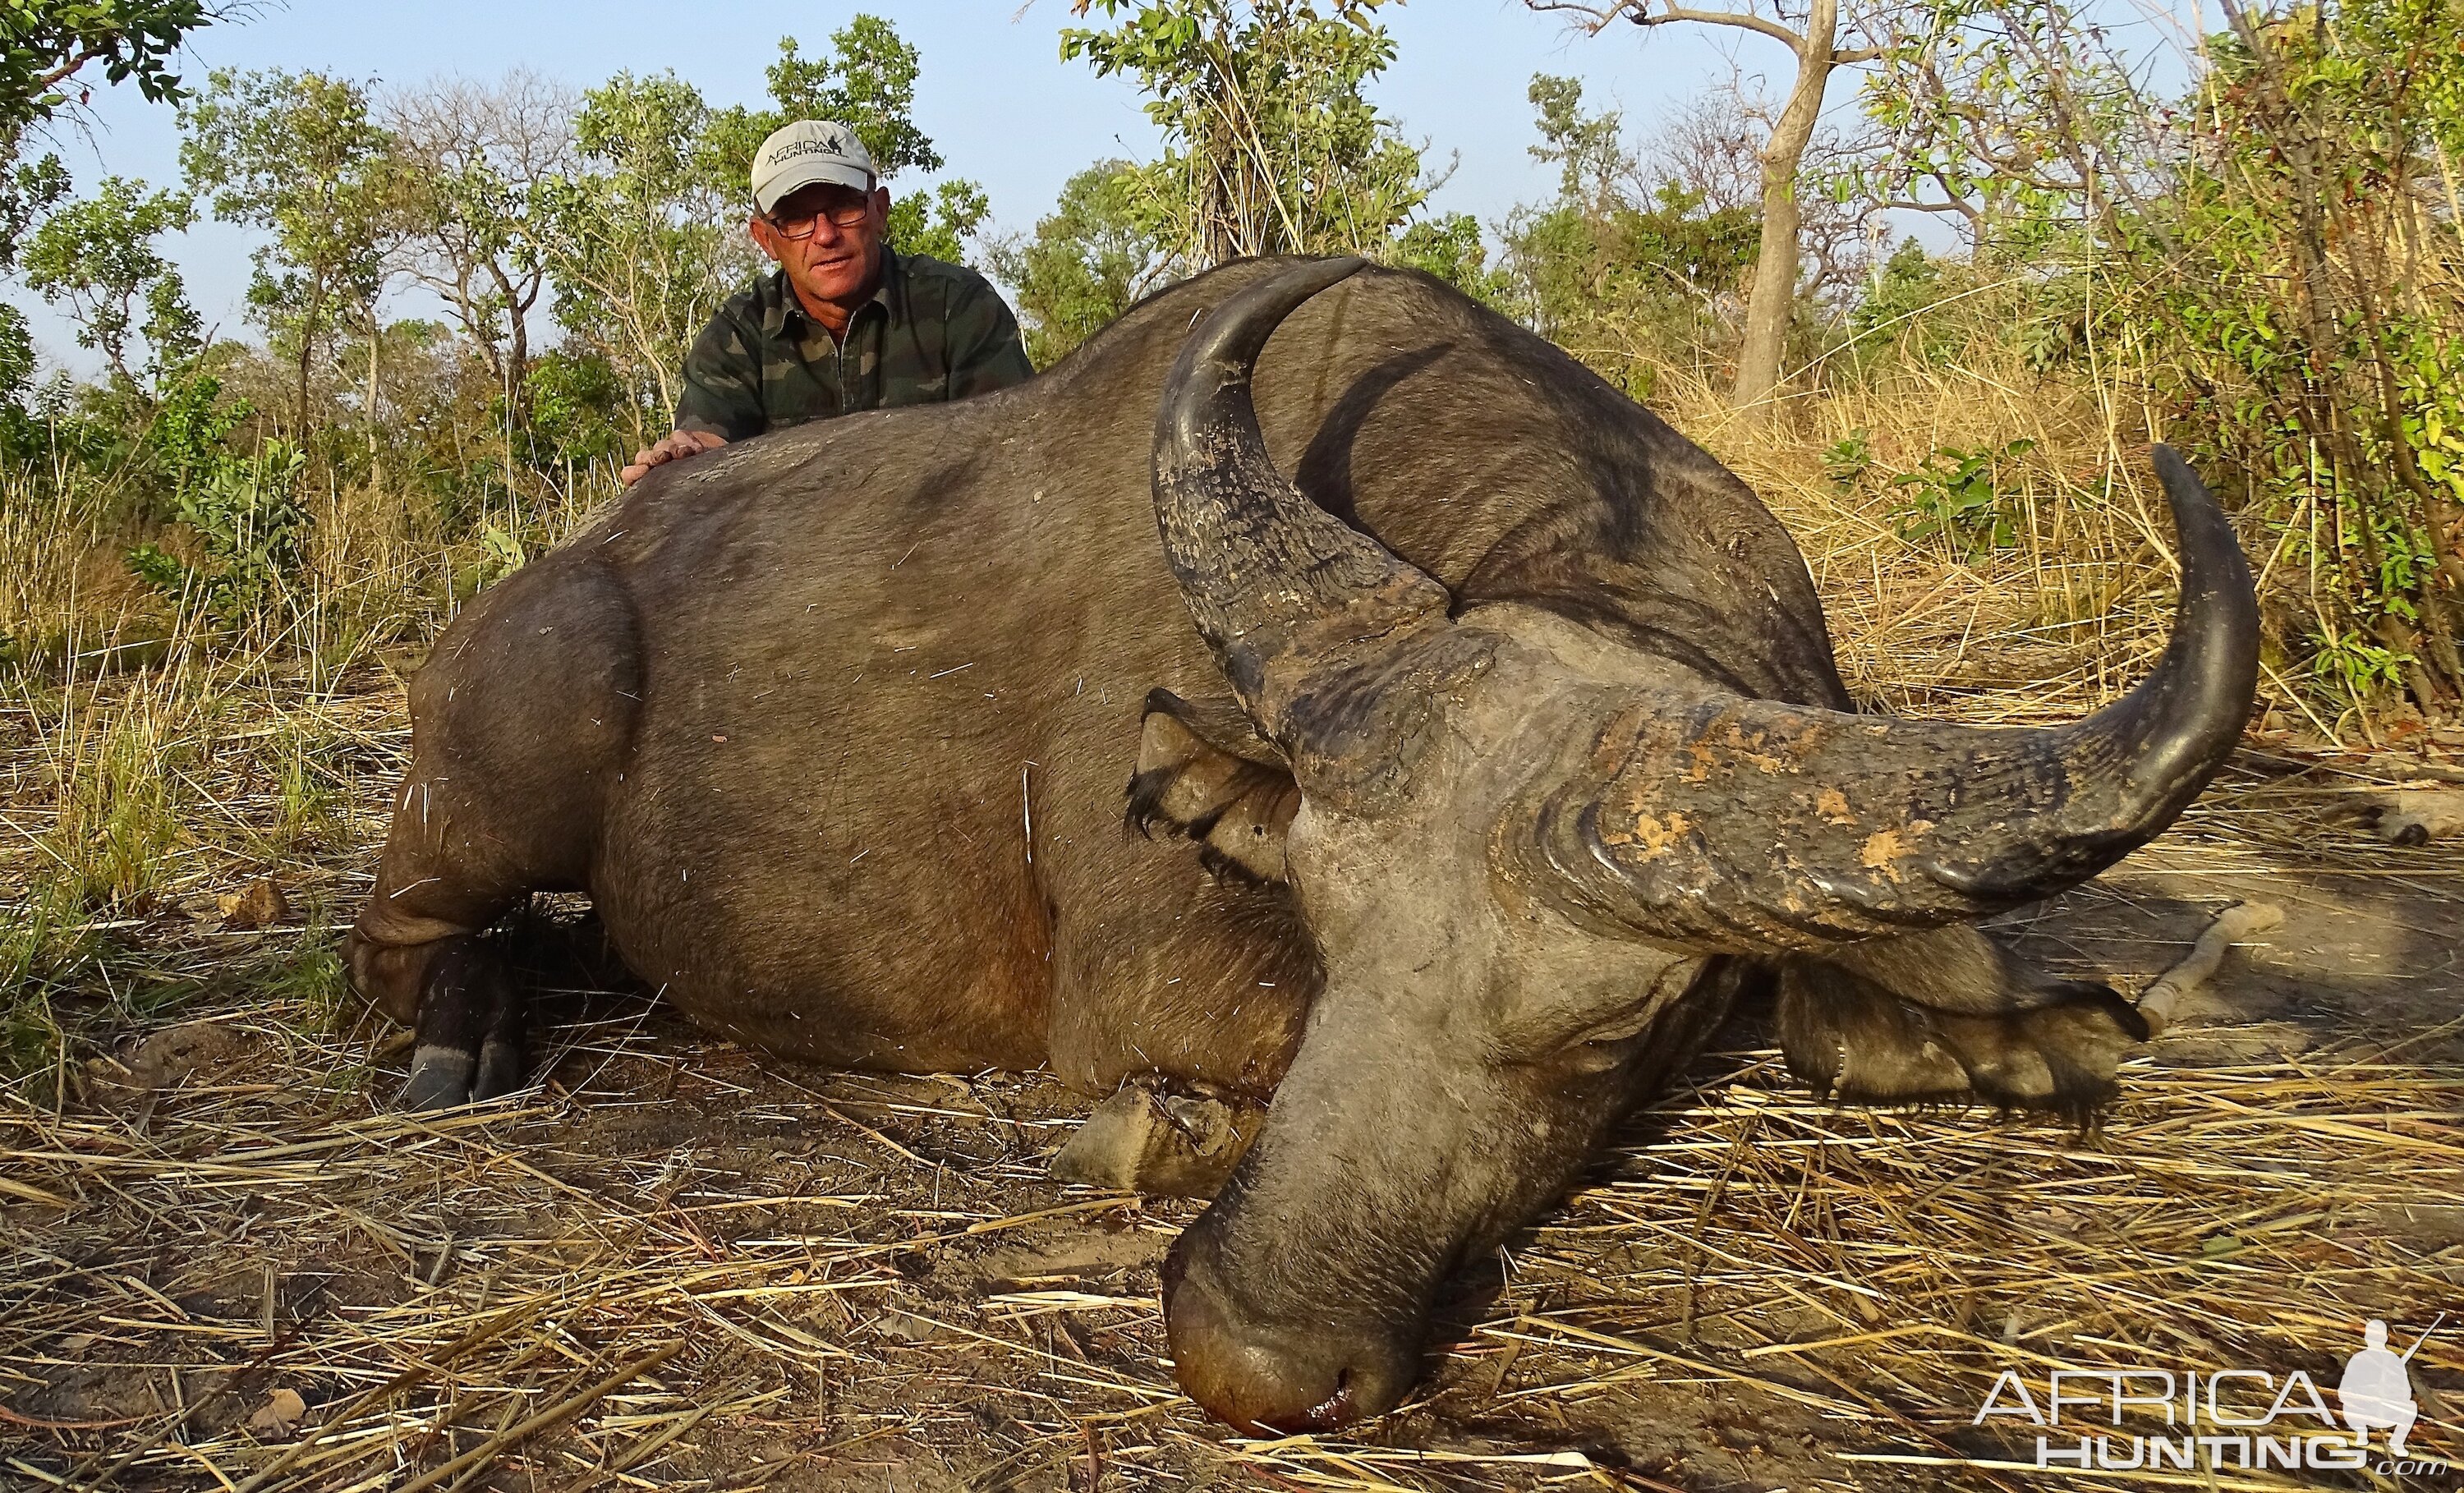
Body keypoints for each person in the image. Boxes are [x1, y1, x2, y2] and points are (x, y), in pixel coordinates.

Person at [621, 119, 1035, 485]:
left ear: (879, 210)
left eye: (842, 207)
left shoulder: (957, 306)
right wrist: (682, 460)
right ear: (765, 239)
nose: (824, 235)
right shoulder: (737, 337)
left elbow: (1011, 447)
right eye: (796, 219)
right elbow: (709, 445)